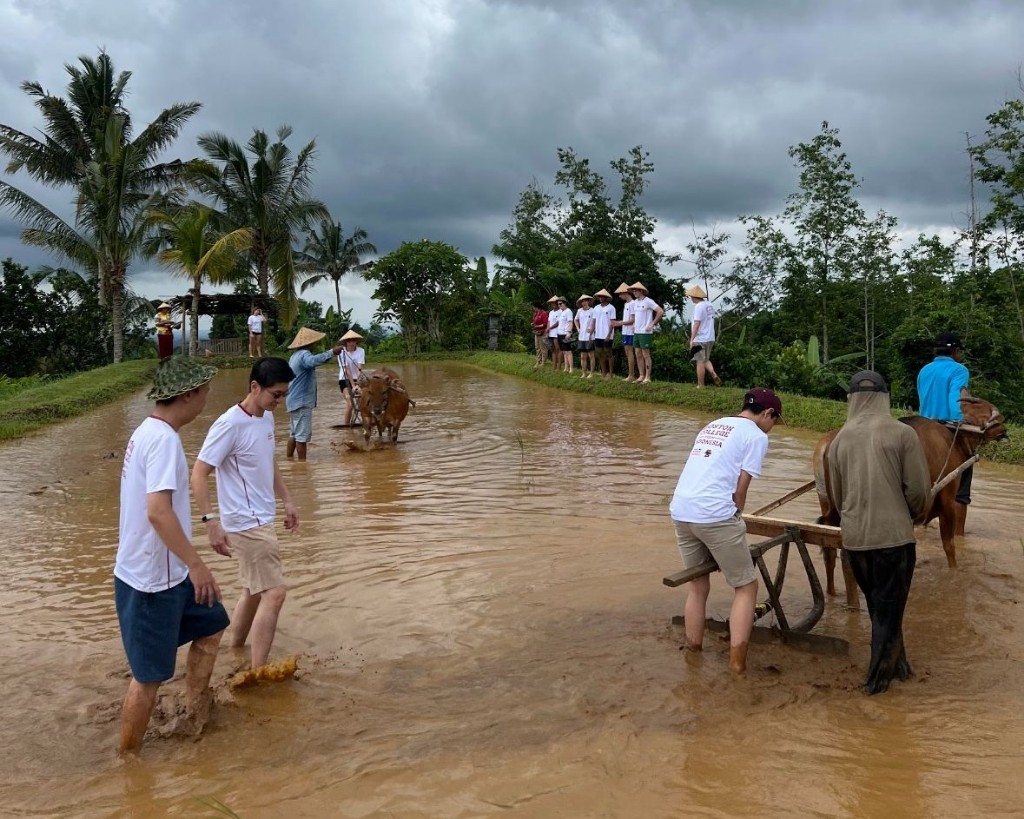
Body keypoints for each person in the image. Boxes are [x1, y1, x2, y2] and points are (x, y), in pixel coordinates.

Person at [114, 355, 228, 754]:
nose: (206, 400)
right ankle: (128, 764)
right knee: (148, 679)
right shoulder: (162, 440)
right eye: (205, 392)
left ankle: (194, 708)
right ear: (189, 395)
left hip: (167, 571)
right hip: (151, 580)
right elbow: (157, 512)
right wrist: (197, 564)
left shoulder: (148, 431)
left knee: (212, 623)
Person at [192, 357, 299, 671]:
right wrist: (211, 521)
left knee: (254, 591)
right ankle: (258, 672)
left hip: (262, 517)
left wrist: (288, 500)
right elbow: (198, 473)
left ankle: (235, 650)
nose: (279, 401)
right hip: (246, 523)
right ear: (255, 387)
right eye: (275, 394)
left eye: (284, 395)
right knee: (275, 593)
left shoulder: (265, 417)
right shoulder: (229, 424)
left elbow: (269, 462)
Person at [827, 371, 931, 695]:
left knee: (880, 610)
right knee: (887, 615)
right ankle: (876, 690)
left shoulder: (838, 440)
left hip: (855, 542)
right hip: (893, 540)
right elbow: (918, 492)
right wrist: (911, 516)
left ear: (852, 399)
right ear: (885, 397)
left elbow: (836, 497)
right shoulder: (902, 434)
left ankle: (901, 670)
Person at [669, 388, 783, 675]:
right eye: (775, 420)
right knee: (746, 587)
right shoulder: (756, 436)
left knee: (698, 584)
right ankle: (736, 666)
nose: (773, 427)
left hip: (681, 510)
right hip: (714, 514)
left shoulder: (714, 424)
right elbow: (740, 490)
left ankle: (693, 655)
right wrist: (736, 520)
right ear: (767, 414)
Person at [917, 332, 973, 532]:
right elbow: (955, 399)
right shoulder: (959, 370)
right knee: (960, 491)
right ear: (955, 351)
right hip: (946, 431)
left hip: (921, 429)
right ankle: (958, 537)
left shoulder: (925, 370)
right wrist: (961, 421)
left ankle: (922, 526)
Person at [284, 327, 345, 460]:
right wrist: (332, 352)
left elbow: (316, 362)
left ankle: (289, 460)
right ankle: (302, 466)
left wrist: (331, 355)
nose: (315, 344)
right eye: (314, 342)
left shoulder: (294, 356)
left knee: (294, 434)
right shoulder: (305, 355)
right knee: (301, 436)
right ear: (309, 343)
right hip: (301, 401)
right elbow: (313, 361)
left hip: (292, 400)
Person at [687, 285, 722, 387]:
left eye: (691, 297)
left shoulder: (698, 307)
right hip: (710, 337)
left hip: (701, 338)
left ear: (694, 296)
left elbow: (697, 323)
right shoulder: (709, 305)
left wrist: (692, 339)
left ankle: (700, 385)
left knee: (700, 361)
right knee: (705, 359)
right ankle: (713, 374)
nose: (691, 299)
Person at [629, 282, 664, 384]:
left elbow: (660, 311)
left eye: (636, 290)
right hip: (636, 331)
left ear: (641, 291)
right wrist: (634, 323)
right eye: (633, 291)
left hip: (645, 332)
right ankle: (641, 375)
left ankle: (648, 377)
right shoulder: (635, 302)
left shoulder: (648, 301)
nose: (634, 292)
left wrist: (652, 324)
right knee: (638, 353)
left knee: (646, 354)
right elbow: (635, 316)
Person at [337, 329, 366, 427]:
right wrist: (353, 386)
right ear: (346, 342)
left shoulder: (361, 351)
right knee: (350, 405)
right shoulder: (341, 352)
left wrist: (357, 384)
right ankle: (346, 427)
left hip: (357, 379)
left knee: (363, 402)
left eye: (353, 340)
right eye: (349, 341)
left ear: (356, 341)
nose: (351, 343)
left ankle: (366, 422)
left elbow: (359, 368)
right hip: (344, 380)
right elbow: (346, 370)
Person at [611, 282, 637, 381]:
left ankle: (631, 375)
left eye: (621, 294)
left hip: (630, 331)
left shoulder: (633, 304)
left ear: (626, 293)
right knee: (627, 352)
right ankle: (630, 374)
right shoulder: (626, 304)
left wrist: (619, 323)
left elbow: (632, 320)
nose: (620, 296)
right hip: (625, 331)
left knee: (630, 352)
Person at [592, 289, 616, 379]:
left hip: (607, 335)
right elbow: (594, 321)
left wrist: (609, 335)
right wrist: (592, 332)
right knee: (600, 354)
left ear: (606, 297)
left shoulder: (611, 308)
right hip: (598, 334)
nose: (600, 298)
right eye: (599, 296)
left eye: (602, 296)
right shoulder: (596, 308)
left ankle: (611, 374)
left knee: (609, 354)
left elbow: (612, 322)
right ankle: (603, 373)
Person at [574, 294, 596, 378]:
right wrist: (578, 329)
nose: (584, 302)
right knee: (583, 356)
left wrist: (592, 330)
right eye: (582, 301)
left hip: (590, 336)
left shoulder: (593, 310)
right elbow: (575, 320)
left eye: (585, 301)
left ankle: (592, 373)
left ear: (588, 301)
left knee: (591, 355)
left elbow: (595, 322)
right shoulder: (579, 311)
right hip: (581, 336)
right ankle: (584, 373)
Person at [553, 297, 575, 373]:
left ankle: (571, 368)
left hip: (566, 334)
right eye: (558, 304)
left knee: (568, 351)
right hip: (560, 334)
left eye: (560, 303)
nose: (559, 305)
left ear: (565, 303)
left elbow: (570, 322)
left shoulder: (568, 311)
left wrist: (569, 332)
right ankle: (566, 367)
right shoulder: (561, 312)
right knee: (564, 352)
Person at [546, 295, 562, 370]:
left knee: (558, 349)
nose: (552, 304)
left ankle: (559, 367)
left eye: (553, 303)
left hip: (557, 332)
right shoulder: (551, 312)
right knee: (553, 350)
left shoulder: (560, 311)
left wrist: (550, 328)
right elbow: (549, 321)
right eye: (551, 303)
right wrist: (547, 329)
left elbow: (558, 322)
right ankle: (554, 366)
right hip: (551, 333)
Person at [531, 303, 550, 369]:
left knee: (543, 348)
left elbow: (545, 324)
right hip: (537, 332)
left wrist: (537, 326)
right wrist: (533, 324)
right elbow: (534, 321)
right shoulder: (535, 314)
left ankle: (543, 362)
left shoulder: (544, 313)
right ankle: (538, 361)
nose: (533, 309)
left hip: (543, 332)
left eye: (533, 307)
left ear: (536, 307)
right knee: (537, 347)